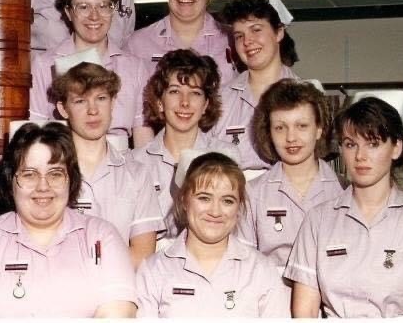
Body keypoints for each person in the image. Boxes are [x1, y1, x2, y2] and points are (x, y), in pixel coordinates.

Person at [284, 96, 403, 318]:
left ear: (396, 148)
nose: (360, 156)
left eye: (373, 144)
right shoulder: (318, 220)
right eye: (351, 144)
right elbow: (305, 311)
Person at [0, 122, 137, 317]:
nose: (43, 186)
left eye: (55, 174)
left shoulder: (101, 238)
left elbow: (118, 314)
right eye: (29, 174)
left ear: (71, 179)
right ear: (10, 180)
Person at [237, 79, 344, 316]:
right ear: (269, 132)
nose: (291, 137)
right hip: (271, 306)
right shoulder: (253, 193)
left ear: (319, 129)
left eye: (302, 126)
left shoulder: (344, 191)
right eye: (280, 127)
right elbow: (243, 267)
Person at [136, 151, 285, 317]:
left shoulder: (261, 270)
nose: (215, 211)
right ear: (185, 200)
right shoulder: (153, 270)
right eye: (204, 198)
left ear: (238, 207)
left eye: (227, 201)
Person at [51, 62, 164, 267]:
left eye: (101, 98)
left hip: (118, 291)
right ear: (63, 108)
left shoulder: (137, 174)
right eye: (80, 101)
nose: (92, 110)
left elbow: (142, 255)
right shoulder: (48, 173)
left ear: (113, 103)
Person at [30, 0, 153, 148]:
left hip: (122, 168)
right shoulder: (44, 65)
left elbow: (143, 138)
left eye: (103, 6)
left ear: (113, 9)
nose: (94, 16)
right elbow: (36, 136)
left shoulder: (134, 67)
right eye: (83, 7)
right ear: (68, 12)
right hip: (65, 163)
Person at [131, 49, 238, 242]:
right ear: (159, 102)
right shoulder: (135, 162)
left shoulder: (226, 155)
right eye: (174, 91)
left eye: (195, 93)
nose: (185, 103)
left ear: (206, 104)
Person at [211, 0, 299, 177]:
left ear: (279, 32)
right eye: (239, 36)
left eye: (256, 30)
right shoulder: (220, 99)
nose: (247, 41)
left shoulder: (306, 95)